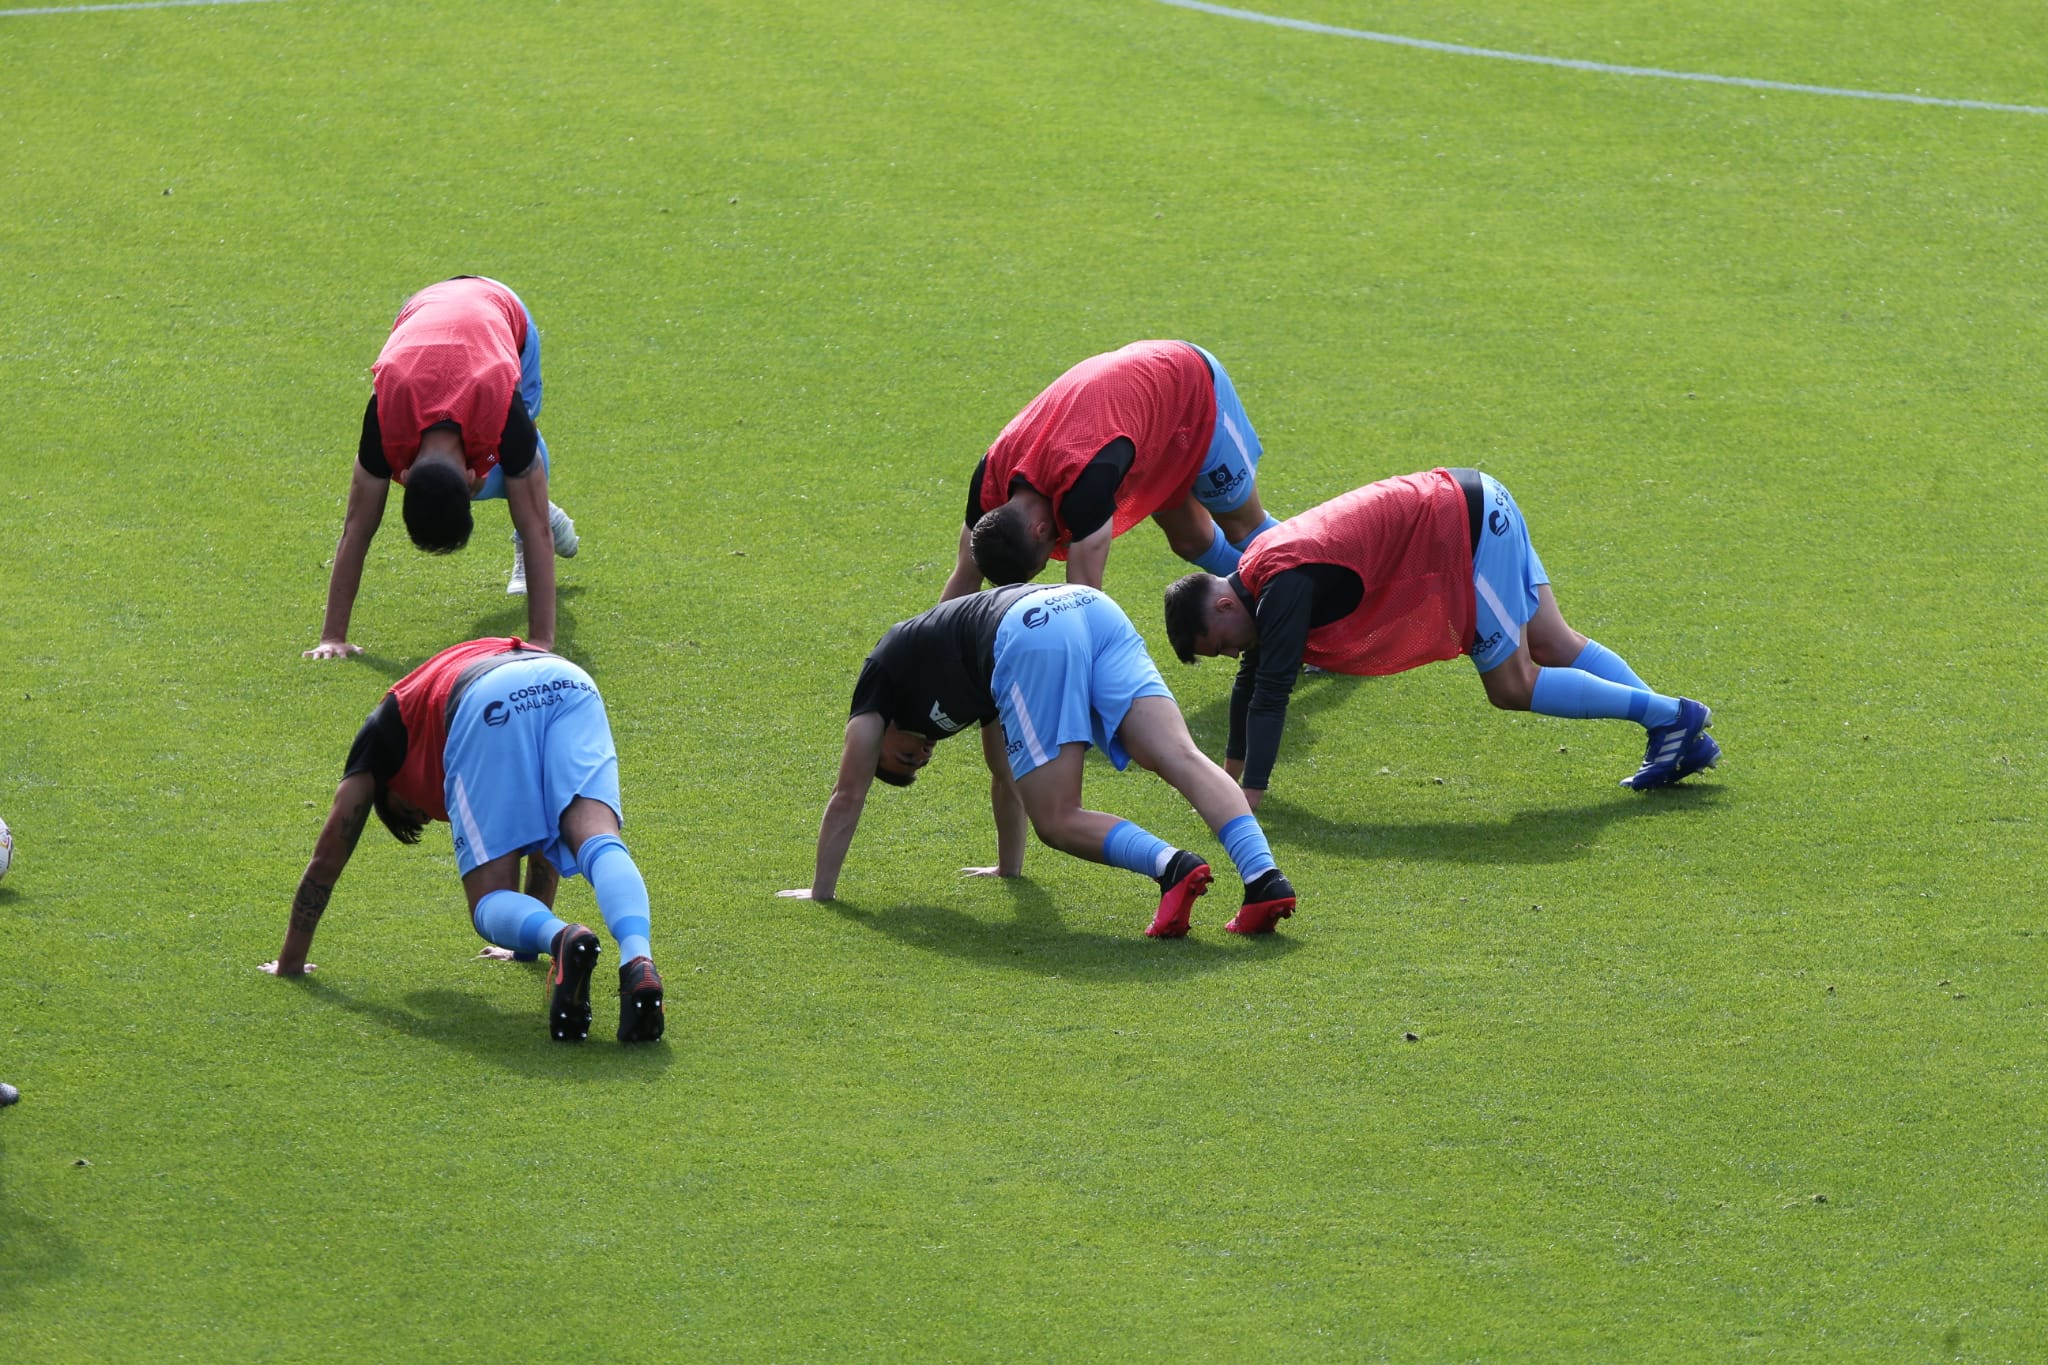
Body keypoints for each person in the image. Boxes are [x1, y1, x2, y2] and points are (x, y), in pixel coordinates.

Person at [1161, 468, 1721, 801]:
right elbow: (1251, 681)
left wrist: (1249, 798)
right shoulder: (1259, 568)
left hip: (1467, 529)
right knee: (1554, 644)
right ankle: (1676, 740)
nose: (1234, 652)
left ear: (1226, 603)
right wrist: (1229, 777)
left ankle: (1672, 717)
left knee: (1512, 685)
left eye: (1223, 640)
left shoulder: (1279, 587)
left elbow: (1272, 691)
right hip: (1475, 497)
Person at [779, 583, 1299, 936]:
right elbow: (1004, 776)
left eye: (902, 759)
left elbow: (848, 794)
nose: (921, 757)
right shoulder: (956, 676)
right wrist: (1008, 868)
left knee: (1057, 818)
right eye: (916, 766)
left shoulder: (876, 693)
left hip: (1030, 632)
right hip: (1088, 606)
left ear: (877, 741)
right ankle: (1264, 881)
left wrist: (821, 891)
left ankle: (1173, 868)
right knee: (1179, 755)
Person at [263, 637, 666, 1043]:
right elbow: (541, 837)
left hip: (488, 698)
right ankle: (638, 960)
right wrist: (524, 950)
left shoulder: (380, 734)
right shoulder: (425, 700)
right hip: (568, 681)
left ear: (387, 787)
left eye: (410, 810)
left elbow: (327, 857)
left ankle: (561, 938)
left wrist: (290, 961)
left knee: (488, 900)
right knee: (597, 838)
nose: (430, 811)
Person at [305, 277, 580, 661]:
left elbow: (356, 527)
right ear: (401, 477)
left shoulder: (501, 404)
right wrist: (332, 636)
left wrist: (541, 642)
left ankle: (534, 504)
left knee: (524, 471)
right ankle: (524, 491)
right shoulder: (384, 420)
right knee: (514, 473)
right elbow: (357, 525)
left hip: (502, 312)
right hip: (424, 310)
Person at [940, 341, 1281, 600]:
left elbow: (1085, 603)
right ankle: (1271, 604)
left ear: (1041, 530)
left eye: (1043, 562)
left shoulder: (1086, 487)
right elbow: (964, 580)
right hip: (1140, 418)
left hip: (1191, 389)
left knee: (1242, 526)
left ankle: (1323, 601)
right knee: (1190, 541)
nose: (1053, 558)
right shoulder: (990, 483)